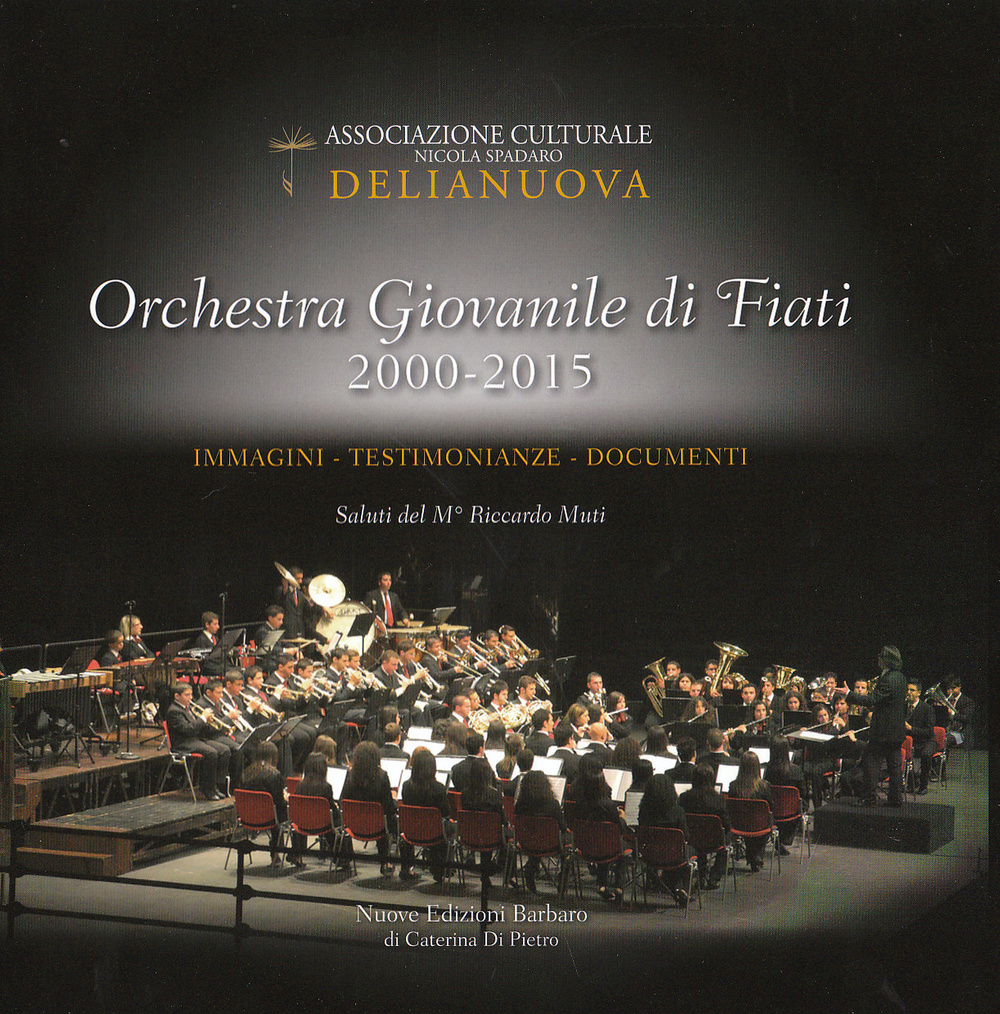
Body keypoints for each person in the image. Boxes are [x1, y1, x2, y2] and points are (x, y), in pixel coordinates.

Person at [843, 645, 907, 807]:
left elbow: (872, 700)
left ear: (886, 660)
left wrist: (849, 694)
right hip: (896, 731)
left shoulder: (888, 679)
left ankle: (869, 798)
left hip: (883, 732)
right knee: (894, 766)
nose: (878, 659)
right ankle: (895, 799)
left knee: (871, 764)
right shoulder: (901, 677)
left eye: (880, 656)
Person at [571, 752, 627, 903]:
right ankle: (618, 886)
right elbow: (618, 828)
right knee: (614, 845)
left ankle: (602, 885)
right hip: (605, 846)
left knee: (602, 839)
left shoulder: (576, 796)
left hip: (583, 844)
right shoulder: (607, 804)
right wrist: (622, 817)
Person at [165, 683, 232, 800]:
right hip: (183, 743)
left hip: (195, 740)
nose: (191, 698)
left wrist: (206, 721)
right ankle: (207, 789)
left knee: (224, 750)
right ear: (177, 696)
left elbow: (196, 726)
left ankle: (217, 786)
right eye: (187, 695)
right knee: (211, 753)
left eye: (191, 694)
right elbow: (188, 730)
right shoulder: (174, 711)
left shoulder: (188, 707)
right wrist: (203, 718)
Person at [341, 741, 396, 875]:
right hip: (377, 827)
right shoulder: (382, 776)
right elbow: (388, 807)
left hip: (353, 826)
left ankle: (345, 860)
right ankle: (385, 862)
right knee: (385, 818)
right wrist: (394, 800)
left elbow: (343, 800)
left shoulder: (350, 775)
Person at [398, 748, 451, 881]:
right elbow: (446, 812)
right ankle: (439, 870)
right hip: (434, 834)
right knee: (446, 826)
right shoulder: (438, 788)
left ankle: (406, 869)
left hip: (411, 832)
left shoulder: (406, 786)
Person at [637, 773, 690, 906]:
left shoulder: (644, 811)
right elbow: (685, 836)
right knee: (689, 851)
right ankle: (682, 888)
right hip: (674, 856)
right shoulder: (678, 811)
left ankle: (657, 881)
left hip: (649, 855)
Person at [512, 769, 568, 894]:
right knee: (567, 850)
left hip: (526, 843)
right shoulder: (553, 804)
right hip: (550, 845)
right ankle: (562, 883)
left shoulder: (520, 805)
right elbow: (563, 827)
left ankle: (530, 869)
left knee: (535, 839)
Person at [679, 763, 730, 890]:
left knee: (699, 837)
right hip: (714, 840)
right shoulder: (718, 799)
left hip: (691, 840)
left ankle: (701, 874)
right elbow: (726, 825)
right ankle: (714, 876)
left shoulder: (684, 798)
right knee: (727, 839)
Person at [290, 752, 343, 868]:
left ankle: (296, 855)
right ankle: (341, 858)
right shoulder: (326, 787)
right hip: (322, 825)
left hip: (302, 824)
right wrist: (336, 807)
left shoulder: (300, 785)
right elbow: (331, 811)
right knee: (338, 822)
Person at [460, 756, 506, 880]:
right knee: (497, 834)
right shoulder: (494, 795)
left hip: (469, 836)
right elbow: (502, 820)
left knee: (484, 830)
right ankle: (496, 869)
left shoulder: (465, 794)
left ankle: (486, 871)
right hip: (491, 838)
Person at [240, 742, 287, 865]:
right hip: (269, 818)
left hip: (247, 816)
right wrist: (286, 798)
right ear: (273, 756)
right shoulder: (275, 775)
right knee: (285, 813)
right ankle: (291, 853)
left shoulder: (246, 772)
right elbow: (279, 803)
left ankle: (278, 851)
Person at [727, 751, 774, 872]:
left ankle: (752, 856)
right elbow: (770, 807)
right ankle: (756, 855)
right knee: (765, 820)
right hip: (760, 825)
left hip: (739, 825)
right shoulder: (764, 786)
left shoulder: (733, 786)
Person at [763, 736, 806, 852]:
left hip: (772, 810)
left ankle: (776, 837)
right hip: (791, 812)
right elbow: (803, 793)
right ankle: (784, 838)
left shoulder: (767, 770)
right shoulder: (795, 770)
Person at [904, 680, 934, 794]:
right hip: (910, 739)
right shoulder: (903, 706)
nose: (909, 692)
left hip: (926, 740)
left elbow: (928, 732)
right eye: (907, 690)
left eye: (912, 690)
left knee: (926, 754)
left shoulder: (927, 708)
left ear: (919, 693)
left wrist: (911, 728)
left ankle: (923, 784)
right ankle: (911, 781)